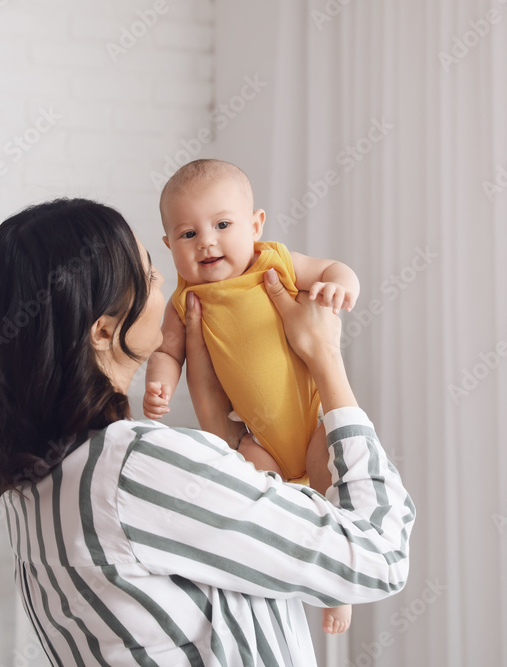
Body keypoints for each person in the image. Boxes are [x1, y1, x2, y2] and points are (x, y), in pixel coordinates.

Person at [0, 198, 413, 666]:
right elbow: (377, 558)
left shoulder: (41, 484)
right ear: (102, 331)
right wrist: (324, 357)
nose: (163, 286)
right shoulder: (138, 467)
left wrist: (218, 437)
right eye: (151, 276)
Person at [143, 159, 362, 634]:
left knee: (333, 497)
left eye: (222, 225)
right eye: (187, 234)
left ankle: (337, 586)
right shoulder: (185, 300)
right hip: (256, 438)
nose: (207, 241)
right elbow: (168, 350)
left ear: (255, 224)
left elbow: (331, 267)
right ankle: (281, 579)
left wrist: (339, 286)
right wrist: (158, 382)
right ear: (168, 244)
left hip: (310, 425)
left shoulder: (274, 262)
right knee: (259, 501)